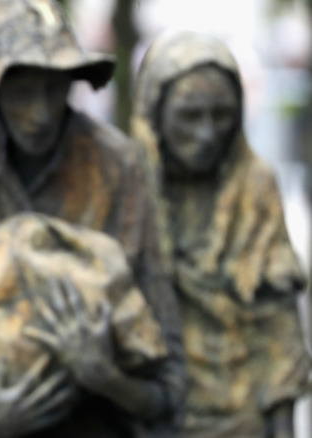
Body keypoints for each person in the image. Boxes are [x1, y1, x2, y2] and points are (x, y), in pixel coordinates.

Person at [0, 1, 186, 436]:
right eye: (23, 91)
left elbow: (168, 386)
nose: (42, 113)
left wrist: (105, 377)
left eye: (54, 88)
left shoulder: (117, 165)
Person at [132, 31, 311, 438]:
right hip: (150, 414)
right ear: (155, 113)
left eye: (222, 113)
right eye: (190, 115)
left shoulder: (255, 186)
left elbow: (279, 325)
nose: (208, 133)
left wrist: (283, 428)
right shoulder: (129, 185)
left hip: (239, 414)